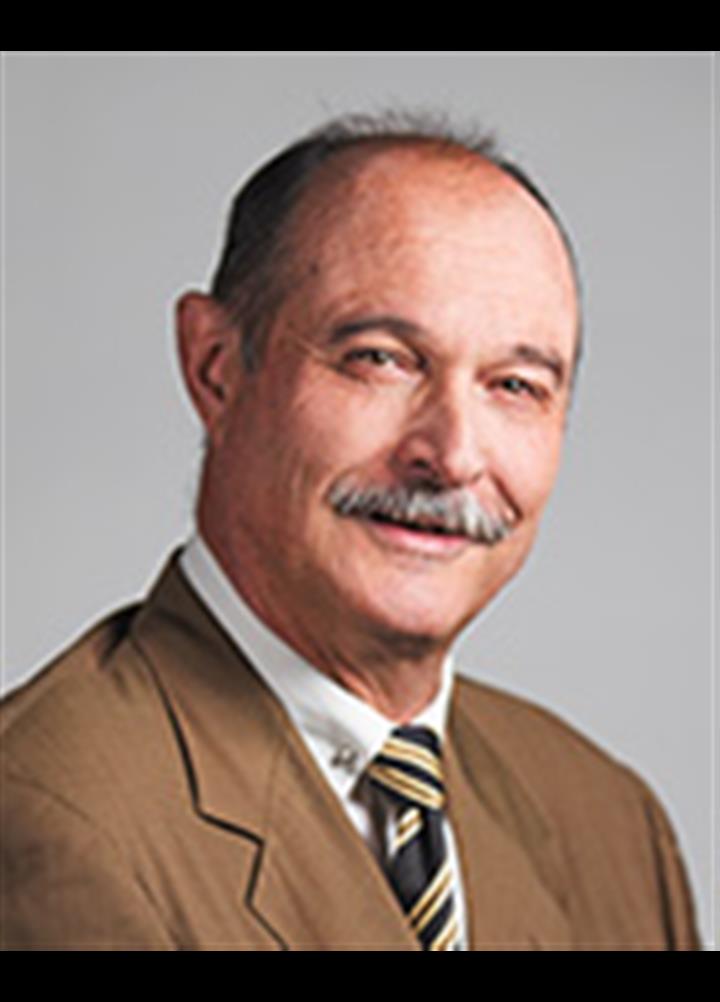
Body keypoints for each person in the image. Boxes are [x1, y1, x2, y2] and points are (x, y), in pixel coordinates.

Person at [1, 113, 700, 951]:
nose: (452, 455)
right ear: (215, 368)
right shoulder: (48, 821)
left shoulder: (612, 823)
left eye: (515, 385)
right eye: (382, 359)